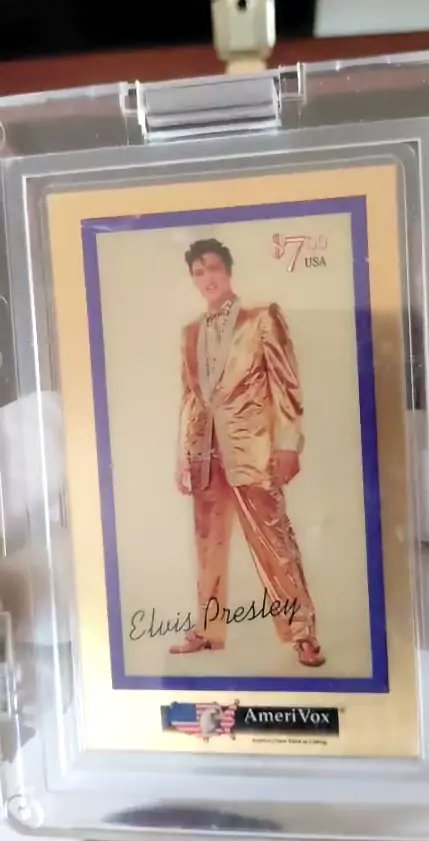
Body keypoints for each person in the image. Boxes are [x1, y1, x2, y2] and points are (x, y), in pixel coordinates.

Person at [169, 238, 324, 667]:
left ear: (228, 270)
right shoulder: (190, 333)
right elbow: (190, 398)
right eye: (198, 272)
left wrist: (288, 444)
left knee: (274, 543)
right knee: (208, 545)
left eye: (213, 268)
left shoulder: (262, 318)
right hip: (205, 452)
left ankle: (303, 633)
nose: (207, 278)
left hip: (253, 450)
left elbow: (286, 385)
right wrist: (183, 456)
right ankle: (207, 630)